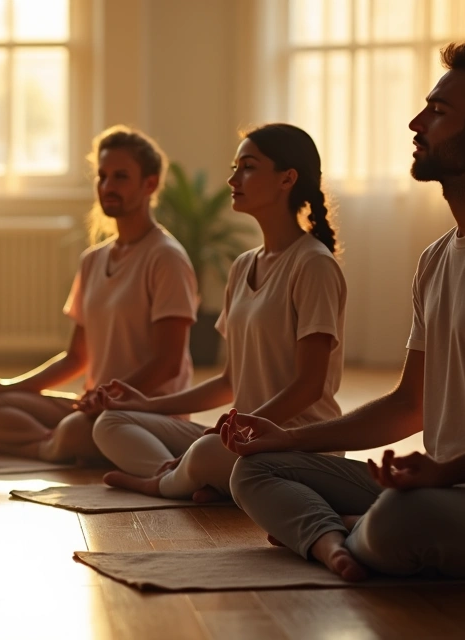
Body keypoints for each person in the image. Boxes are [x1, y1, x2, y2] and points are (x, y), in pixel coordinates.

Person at [225, 41, 465, 583]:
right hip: (445, 486)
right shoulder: (436, 258)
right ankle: (340, 539)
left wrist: (445, 474)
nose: (415, 121)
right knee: (254, 469)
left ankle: (333, 533)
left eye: (438, 111)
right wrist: (285, 438)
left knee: (404, 518)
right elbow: (410, 404)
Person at [93, 124, 346, 503]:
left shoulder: (314, 265)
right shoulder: (244, 266)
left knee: (209, 451)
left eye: (247, 167)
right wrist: (145, 405)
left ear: (286, 179)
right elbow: (229, 382)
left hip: (295, 445)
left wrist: (237, 428)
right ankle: (194, 477)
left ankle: (165, 483)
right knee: (111, 422)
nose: (232, 178)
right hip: (241, 436)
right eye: (235, 166)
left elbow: (309, 386)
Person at [0, 126, 199, 463]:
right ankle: (52, 445)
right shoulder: (93, 260)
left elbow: (168, 364)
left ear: (150, 184)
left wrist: (106, 399)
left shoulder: (166, 258)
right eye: (102, 177)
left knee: (78, 430)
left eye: (120, 177)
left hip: (140, 415)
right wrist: (7, 387)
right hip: (92, 406)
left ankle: (39, 446)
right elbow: (77, 357)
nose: (107, 186)